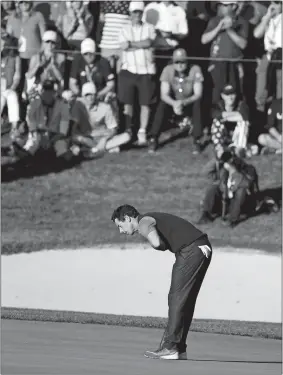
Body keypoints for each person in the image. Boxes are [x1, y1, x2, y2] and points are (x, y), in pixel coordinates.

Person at [111, 204, 212, 360]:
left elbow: (157, 243)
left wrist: (161, 245)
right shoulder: (150, 217)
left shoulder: (143, 221)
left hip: (192, 249)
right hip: (201, 246)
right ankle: (178, 348)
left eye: (120, 225)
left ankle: (170, 347)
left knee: (176, 298)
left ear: (128, 218)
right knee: (186, 300)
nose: (121, 231)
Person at [147, 48, 204, 154]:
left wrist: (184, 102)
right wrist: (174, 103)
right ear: (173, 62)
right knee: (162, 105)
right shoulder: (167, 70)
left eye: (182, 61)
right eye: (177, 62)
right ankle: (153, 138)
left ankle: (197, 139)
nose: (180, 65)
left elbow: (198, 94)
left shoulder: (195, 69)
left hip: (189, 101)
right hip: (173, 102)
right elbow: (164, 94)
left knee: (198, 104)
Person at [118, 1, 157, 146]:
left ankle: (142, 131)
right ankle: (128, 131)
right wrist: (139, 45)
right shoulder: (124, 29)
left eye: (139, 12)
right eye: (134, 12)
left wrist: (132, 44)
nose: (136, 15)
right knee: (128, 103)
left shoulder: (150, 27)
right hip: (128, 69)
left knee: (145, 103)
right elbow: (123, 46)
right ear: (130, 13)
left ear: (142, 13)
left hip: (146, 70)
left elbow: (148, 42)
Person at [201, 1, 248, 104]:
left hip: (234, 63)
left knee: (235, 93)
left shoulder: (241, 22)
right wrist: (219, 27)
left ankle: (237, 117)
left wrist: (229, 29)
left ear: (233, 6)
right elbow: (204, 40)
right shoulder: (214, 21)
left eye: (224, 5)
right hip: (217, 63)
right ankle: (217, 118)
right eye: (219, 4)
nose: (220, 7)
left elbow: (243, 44)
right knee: (217, 93)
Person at [253, 1, 282, 112]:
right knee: (261, 91)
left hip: (280, 56)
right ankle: (260, 115)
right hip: (268, 55)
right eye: (273, 2)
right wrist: (268, 16)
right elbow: (256, 34)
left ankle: (278, 117)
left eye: (277, 2)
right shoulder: (268, 19)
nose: (274, 5)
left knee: (280, 89)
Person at [210, 84, 250, 157]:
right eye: (227, 94)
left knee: (243, 123)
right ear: (222, 96)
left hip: (236, 136)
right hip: (224, 136)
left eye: (232, 94)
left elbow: (245, 117)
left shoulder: (241, 104)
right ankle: (219, 148)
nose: (230, 97)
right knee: (216, 121)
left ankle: (239, 149)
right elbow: (217, 115)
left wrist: (226, 118)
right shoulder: (218, 105)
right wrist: (237, 115)